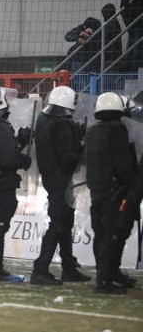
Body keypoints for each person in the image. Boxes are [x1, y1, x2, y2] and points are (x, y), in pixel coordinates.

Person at [30, 86, 91, 285]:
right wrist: (81, 144)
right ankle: (41, 268)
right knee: (59, 224)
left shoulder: (44, 119)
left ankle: (68, 267)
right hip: (62, 179)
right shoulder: (62, 124)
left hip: (50, 176)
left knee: (64, 222)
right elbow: (68, 157)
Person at [0, 87, 32, 281]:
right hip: (2, 184)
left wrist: (18, 143)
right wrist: (24, 160)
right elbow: (8, 158)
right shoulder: (1, 126)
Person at [86, 92, 135, 294]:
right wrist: (129, 180)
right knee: (112, 234)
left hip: (96, 189)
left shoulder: (92, 131)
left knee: (101, 233)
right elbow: (122, 163)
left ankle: (104, 274)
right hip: (113, 190)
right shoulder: (118, 130)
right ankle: (105, 280)